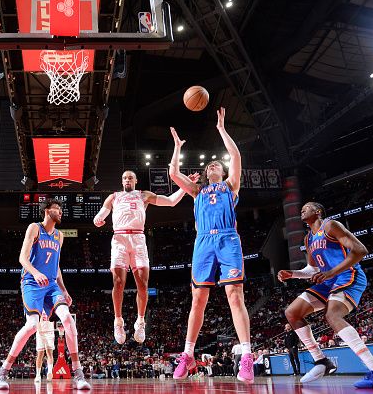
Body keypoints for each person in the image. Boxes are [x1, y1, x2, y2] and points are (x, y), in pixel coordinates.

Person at [169, 107, 254, 383]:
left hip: (228, 239)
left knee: (234, 294)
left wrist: (221, 129)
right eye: (210, 166)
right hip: (204, 242)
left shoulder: (231, 186)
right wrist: (177, 147)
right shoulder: (197, 191)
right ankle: (188, 354)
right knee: (198, 299)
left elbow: (237, 156)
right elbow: (173, 173)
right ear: (206, 174)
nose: (213, 166)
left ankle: (248, 357)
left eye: (217, 164)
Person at [278, 201, 373, 388]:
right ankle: (322, 362)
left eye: (308, 206)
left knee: (332, 315)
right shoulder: (308, 238)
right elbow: (313, 269)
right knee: (292, 313)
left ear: (318, 211)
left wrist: (331, 273)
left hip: (348, 275)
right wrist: (293, 274)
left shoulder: (330, 225)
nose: (303, 209)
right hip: (328, 280)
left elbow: (360, 251)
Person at [0, 199, 90, 390]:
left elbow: (56, 266)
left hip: (52, 285)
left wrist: (64, 289)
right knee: (31, 326)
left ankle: (78, 374)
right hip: (32, 282)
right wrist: (36, 273)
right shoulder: (34, 228)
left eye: (62, 209)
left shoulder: (59, 236)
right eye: (57, 208)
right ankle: (3, 372)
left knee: (68, 320)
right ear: (47, 211)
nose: (61, 212)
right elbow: (22, 257)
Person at [93, 170, 191, 344]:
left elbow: (170, 202)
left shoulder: (144, 195)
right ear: (121, 181)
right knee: (118, 282)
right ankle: (118, 321)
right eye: (124, 178)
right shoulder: (113, 197)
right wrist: (98, 219)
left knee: (143, 283)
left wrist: (184, 187)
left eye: (130, 177)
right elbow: (100, 215)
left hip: (138, 238)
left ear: (136, 180)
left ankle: (140, 321)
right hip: (120, 239)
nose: (127, 180)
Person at [34, 311, 55, 383]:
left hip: (49, 331)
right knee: (40, 355)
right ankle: (38, 375)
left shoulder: (51, 304)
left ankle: (49, 372)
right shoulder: (38, 305)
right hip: (40, 331)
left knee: (49, 353)